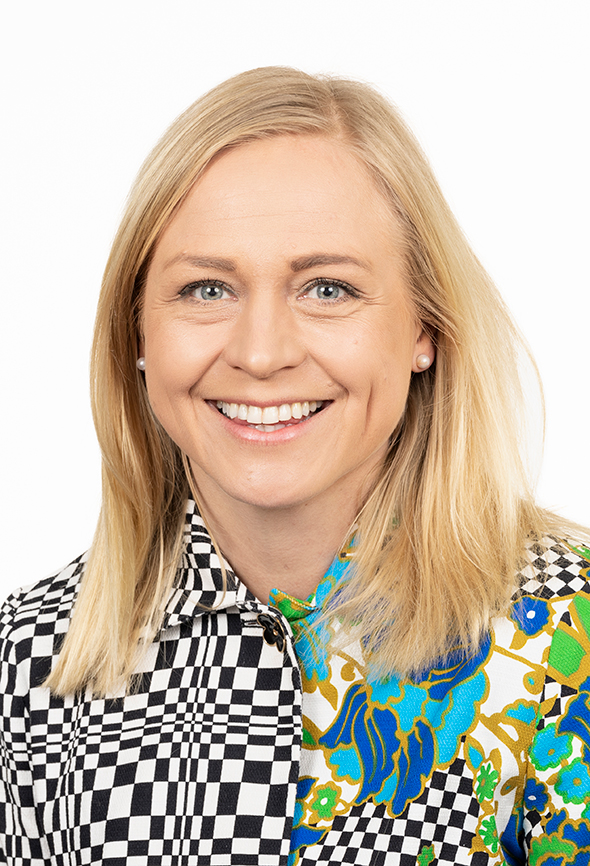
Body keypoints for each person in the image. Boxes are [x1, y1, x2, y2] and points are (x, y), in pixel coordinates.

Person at [1, 66, 589, 866]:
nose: (261, 353)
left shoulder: (568, 631)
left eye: (327, 288)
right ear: (137, 333)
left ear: (425, 328)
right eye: (207, 289)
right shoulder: (26, 661)